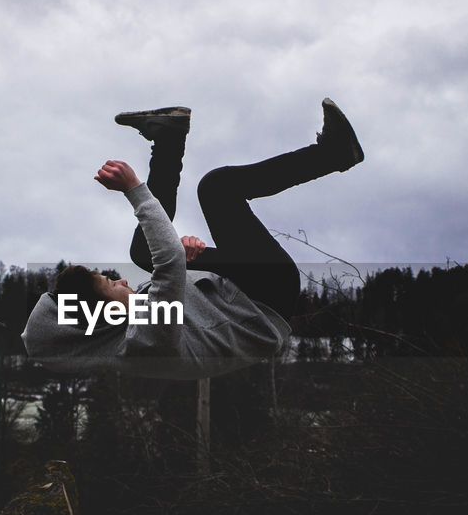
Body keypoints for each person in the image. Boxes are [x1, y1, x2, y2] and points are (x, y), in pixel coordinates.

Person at [21, 98, 364, 379]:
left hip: (241, 290)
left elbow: (170, 268)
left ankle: (169, 138)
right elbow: (168, 266)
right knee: (218, 189)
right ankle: (334, 154)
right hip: (266, 296)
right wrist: (133, 190)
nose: (122, 281)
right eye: (112, 287)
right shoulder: (145, 343)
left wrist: (191, 260)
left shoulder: (126, 325)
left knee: (142, 251)